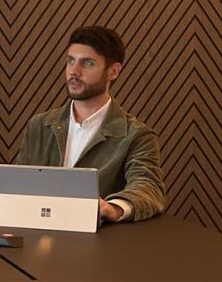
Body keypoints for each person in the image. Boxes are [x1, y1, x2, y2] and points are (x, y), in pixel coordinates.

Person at [15, 25, 166, 221]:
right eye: (70, 61)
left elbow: (148, 187)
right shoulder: (39, 125)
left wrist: (113, 208)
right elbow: (18, 187)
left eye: (87, 63)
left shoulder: (136, 135)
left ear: (113, 71)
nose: (74, 71)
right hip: (36, 235)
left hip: (99, 245)